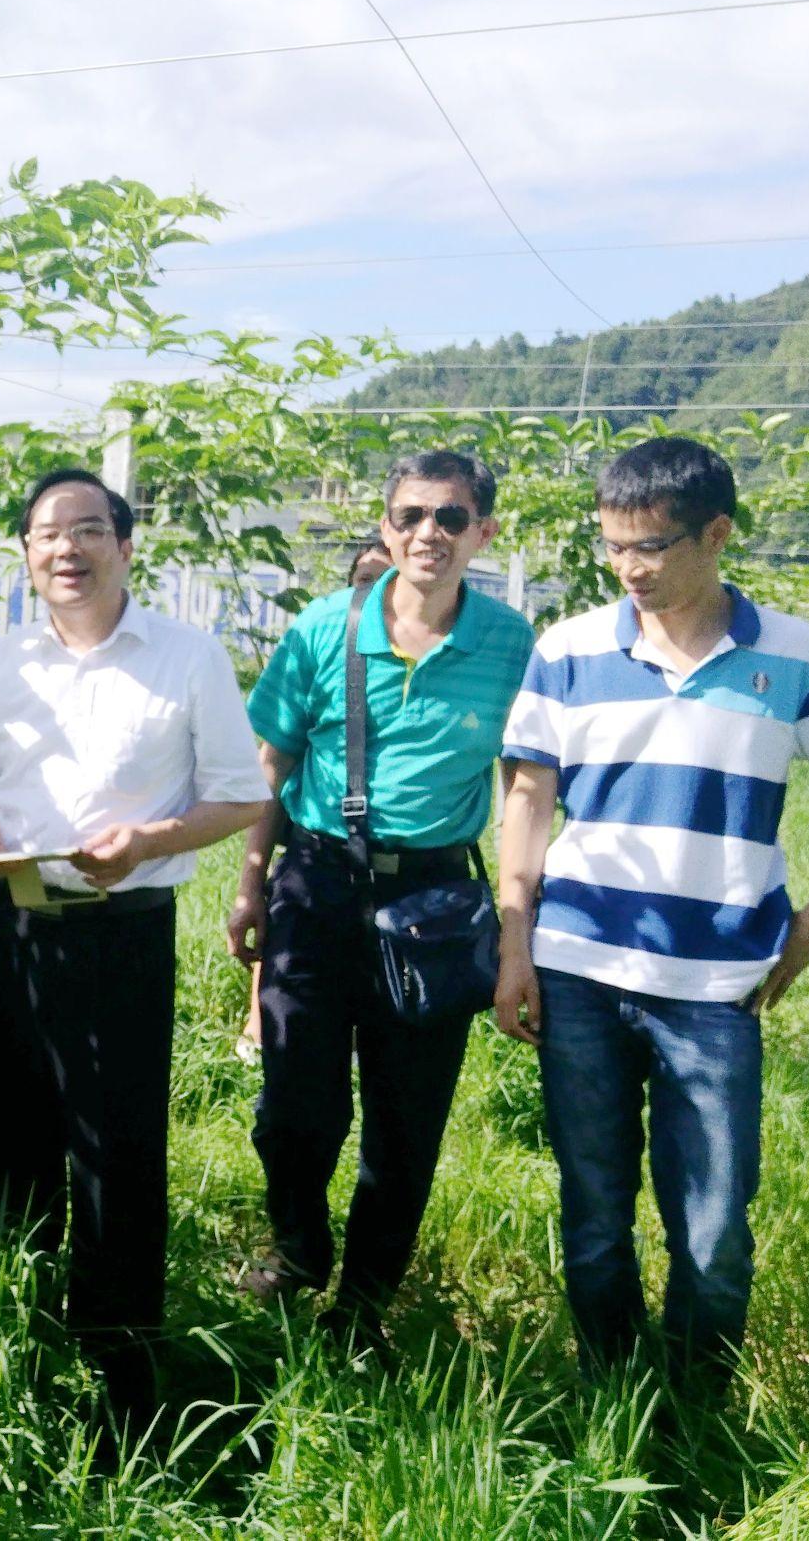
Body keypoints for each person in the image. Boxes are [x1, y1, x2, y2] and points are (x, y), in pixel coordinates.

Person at [495, 436, 809, 1386]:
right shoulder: (569, 650)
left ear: (716, 534)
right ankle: (611, 1395)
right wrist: (515, 945)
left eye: (651, 547)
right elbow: (526, 798)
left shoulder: (793, 656)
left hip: (715, 983)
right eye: (613, 547)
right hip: (579, 967)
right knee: (593, 1216)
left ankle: (697, 1416)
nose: (628, 568)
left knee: (713, 1228)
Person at [0, 467, 267, 1432]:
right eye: (45, 535)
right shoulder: (4, 662)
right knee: (9, 1133)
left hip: (123, 932)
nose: (65, 549)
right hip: (15, 923)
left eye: (87, 530)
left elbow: (244, 795)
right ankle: (18, 1337)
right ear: (28, 556)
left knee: (116, 1153)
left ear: (125, 546)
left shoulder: (185, 656)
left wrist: (151, 842)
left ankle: (122, 1371)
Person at [228, 451, 535, 1350]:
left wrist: (517, 922)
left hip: (436, 899)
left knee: (406, 1122)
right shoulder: (325, 629)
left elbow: (524, 788)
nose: (426, 534)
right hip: (316, 885)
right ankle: (297, 1249)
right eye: (409, 516)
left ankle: (362, 1302)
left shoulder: (511, 644)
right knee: (292, 1104)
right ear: (384, 524)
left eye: (449, 517)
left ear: (483, 530)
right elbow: (270, 762)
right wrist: (250, 881)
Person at [236, 534, 392, 1063]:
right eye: (365, 579)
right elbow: (272, 765)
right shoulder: (326, 645)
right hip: (316, 857)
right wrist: (248, 882)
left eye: (386, 578)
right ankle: (259, 1024)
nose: (376, 591)